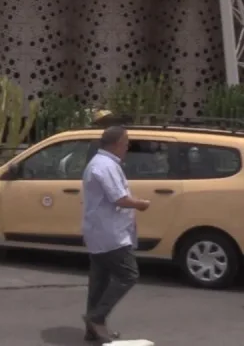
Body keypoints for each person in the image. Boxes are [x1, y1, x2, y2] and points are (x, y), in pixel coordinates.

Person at [81, 126, 150, 342]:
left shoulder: (102, 163)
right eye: (126, 142)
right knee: (128, 274)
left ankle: (92, 329)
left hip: (102, 232)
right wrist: (140, 204)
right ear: (116, 144)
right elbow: (119, 199)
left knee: (100, 281)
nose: (128, 147)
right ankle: (96, 317)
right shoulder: (105, 165)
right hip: (110, 234)